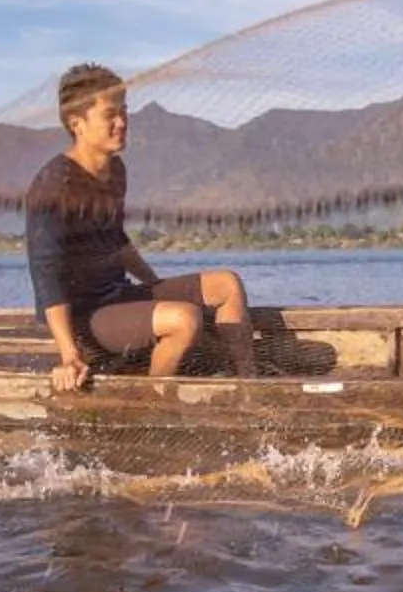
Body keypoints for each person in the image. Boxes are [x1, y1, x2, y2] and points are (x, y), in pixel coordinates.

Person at [25, 63, 259, 393]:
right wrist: (69, 354)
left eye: (124, 111)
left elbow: (116, 241)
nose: (121, 122)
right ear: (78, 124)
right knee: (184, 320)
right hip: (84, 319)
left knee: (226, 284)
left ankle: (248, 389)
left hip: (119, 296)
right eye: (110, 115)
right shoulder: (54, 186)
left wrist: (154, 285)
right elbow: (45, 274)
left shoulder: (115, 170)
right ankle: (153, 400)